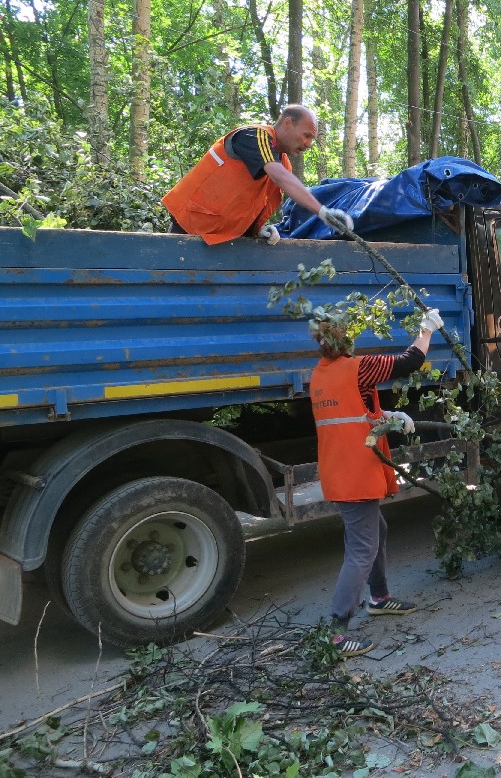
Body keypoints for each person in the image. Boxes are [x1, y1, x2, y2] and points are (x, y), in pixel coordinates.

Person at [309, 306, 444, 657]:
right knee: (362, 549)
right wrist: (426, 328)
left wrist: (388, 416)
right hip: (355, 473)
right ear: (344, 338)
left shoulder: (321, 375)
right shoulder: (358, 367)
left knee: (375, 531)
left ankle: (380, 597)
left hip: (339, 471)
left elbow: (349, 413)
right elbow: (409, 361)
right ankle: (337, 633)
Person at [162, 104, 353, 245]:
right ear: (288, 123)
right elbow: (277, 175)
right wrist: (322, 212)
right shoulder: (254, 136)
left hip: (221, 239)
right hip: (190, 227)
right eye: (307, 135)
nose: (309, 144)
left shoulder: (284, 164)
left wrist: (256, 230)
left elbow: (251, 201)